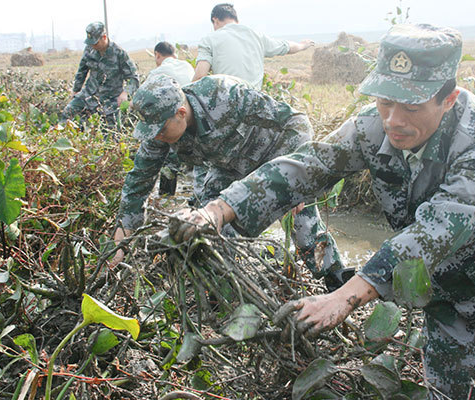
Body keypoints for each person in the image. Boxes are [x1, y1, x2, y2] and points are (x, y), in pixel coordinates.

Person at [173, 24, 475, 399]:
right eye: (385, 101)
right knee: (441, 392)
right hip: (444, 289)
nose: (394, 120)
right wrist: (219, 209)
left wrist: (344, 297)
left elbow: (439, 227)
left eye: (410, 105)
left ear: (449, 98)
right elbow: (306, 166)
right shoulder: (372, 127)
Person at [113, 74, 350, 291]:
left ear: (181, 113)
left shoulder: (225, 95)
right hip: (228, 166)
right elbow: (139, 181)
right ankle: (223, 286)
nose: (157, 137)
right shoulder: (159, 128)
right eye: (152, 131)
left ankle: (337, 280)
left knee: (304, 226)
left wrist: (297, 180)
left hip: (273, 157)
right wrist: (121, 241)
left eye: (161, 130)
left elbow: (296, 122)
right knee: (208, 222)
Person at [192, 3, 314, 89]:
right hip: (256, 102)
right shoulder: (257, 36)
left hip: (227, 101)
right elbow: (287, 47)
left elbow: (199, 77)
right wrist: (303, 45)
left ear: (215, 20)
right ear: (236, 20)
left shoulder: (209, 39)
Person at [61, 22, 139, 138]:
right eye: (91, 43)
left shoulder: (119, 54)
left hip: (110, 99)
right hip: (89, 94)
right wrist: (76, 90)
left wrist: (125, 93)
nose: (93, 46)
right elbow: (82, 70)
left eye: (95, 43)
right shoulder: (89, 50)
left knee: (110, 133)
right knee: (68, 112)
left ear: (104, 37)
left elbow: (133, 78)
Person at [144, 41, 195, 195]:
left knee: (169, 156)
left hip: (174, 119)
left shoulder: (157, 73)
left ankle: (166, 196)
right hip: (193, 119)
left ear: (157, 55)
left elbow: (146, 102)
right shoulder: (187, 65)